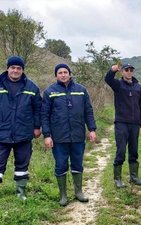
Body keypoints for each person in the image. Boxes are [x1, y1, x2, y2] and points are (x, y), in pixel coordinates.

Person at [0, 56, 42, 208]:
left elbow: (38, 109)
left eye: (19, 68)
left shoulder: (31, 87)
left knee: (22, 165)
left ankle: (21, 193)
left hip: (24, 133)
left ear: (22, 70)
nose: (15, 71)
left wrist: (37, 127)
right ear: (8, 68)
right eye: (13, 67)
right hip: (1, 133)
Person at [41, 63, 97, 206]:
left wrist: (92, 129)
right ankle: (63, 195)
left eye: (65, 72)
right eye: (60, 72)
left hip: (78, 136)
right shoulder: (49, 92)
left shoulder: (81, 90)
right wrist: (47, 135)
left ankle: (78, 192)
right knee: (61, 165)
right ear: (56, 75)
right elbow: (44, 115)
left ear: (70, 74)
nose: (63, 74)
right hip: (58, 137)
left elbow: (88, 112)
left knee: (77, 164)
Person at [105, 63, 141, 188]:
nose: (129, 72)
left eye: (131, 70)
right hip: (121, 123)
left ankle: (134, 177)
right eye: (126, 70)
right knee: (121, 150)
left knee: (133, 151)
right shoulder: (118, 85)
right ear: (122, 72)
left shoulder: (138, 87)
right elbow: (108, 79)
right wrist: (112, 71)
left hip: (135, 124)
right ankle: (117, 179)